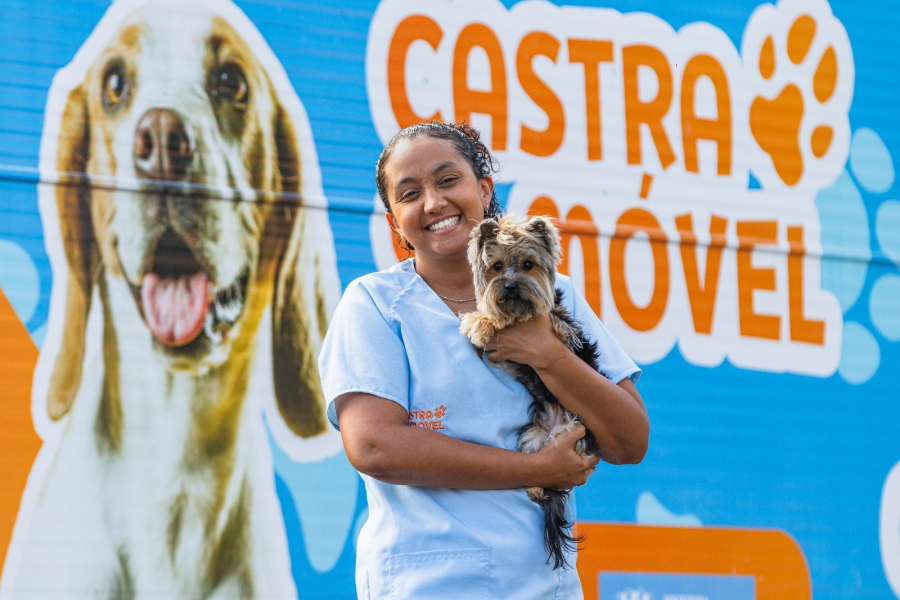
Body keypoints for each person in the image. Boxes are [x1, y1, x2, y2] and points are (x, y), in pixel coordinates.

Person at [317, 121, 649, 599]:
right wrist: (537, 470)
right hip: (427, 585)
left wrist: (548, 354)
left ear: (484, 189)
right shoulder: (374, 304)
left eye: (448, 180)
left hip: (542, 585)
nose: (433, 203)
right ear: (394, 221)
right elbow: (374, 447)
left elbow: (629, 440)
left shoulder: (554, 296)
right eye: (410, 194)